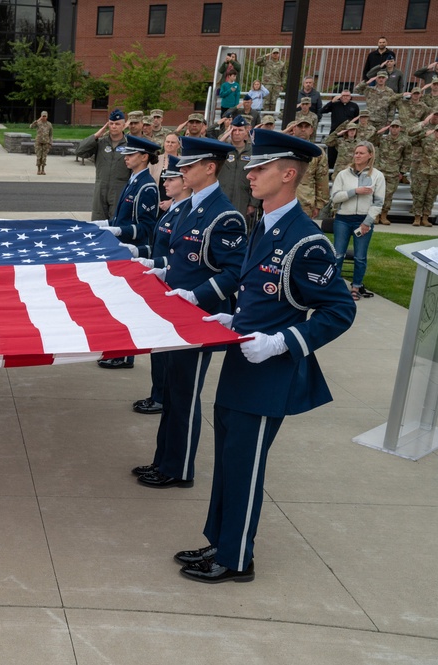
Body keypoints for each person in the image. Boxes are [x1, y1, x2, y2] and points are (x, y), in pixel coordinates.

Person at [177, 129, 356, 584]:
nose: (250, 174)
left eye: (261, 167)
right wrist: (233, 321)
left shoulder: (306, 240)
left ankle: (237, 559)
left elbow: (339, 310)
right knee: (229, 462)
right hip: (242, 364)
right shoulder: (266, 223)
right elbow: (259, 297)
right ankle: (221, 541)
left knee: (246, 466)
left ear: (288, 173)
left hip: (270, 374)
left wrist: (281, 342)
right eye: (251, 166)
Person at [133, 136, 246, 489]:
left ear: (210, 168)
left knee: (184, 395)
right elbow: (184, 258)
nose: (181, 170)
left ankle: (179, 468)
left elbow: (233, 272)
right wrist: (164, 272)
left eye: (188, 165)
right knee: (172, 393)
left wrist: (197, 296)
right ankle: (164, 459)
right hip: (177, 315)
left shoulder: (225, 215)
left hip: (199, 319)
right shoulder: (189, 206)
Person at [129, 156, 190, 415]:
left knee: (165, 351)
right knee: (159, 349)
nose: (165, 182)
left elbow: (178, 257)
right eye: (165, 177)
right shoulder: (175, 208)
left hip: (171, 284)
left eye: (172, 178)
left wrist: (150, 260)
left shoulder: (185, 212)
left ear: (185, 182)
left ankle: (161, 397)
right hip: (160, 282)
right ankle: (159, 393)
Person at [95, 135, 160, 370]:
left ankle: (125, 355)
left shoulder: (147, 187)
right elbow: (120, 217)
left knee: (126, 304)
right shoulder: (133, 180)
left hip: (132, 250)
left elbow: (145, 228)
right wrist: (104, 224)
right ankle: (117, 350)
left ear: (144, 157)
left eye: (131, 154)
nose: (126, 158)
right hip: (119, 248)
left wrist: (117, 231)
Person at [331, 141, 385, 300]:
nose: (357, 156)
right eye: (356, 153)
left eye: (361, 153)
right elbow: (334, 198)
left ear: (370, 155)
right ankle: (334, 287)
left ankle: (356, 287)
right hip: (342, 220)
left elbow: (378, 203)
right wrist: (355, 191)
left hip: (363, 221)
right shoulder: (343, 174)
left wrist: (367, 222)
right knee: (337, 255)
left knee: (360, 257)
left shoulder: (377, 176)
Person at [76, 109, 131, 221]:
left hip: (119, 189)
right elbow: (80, 151)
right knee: (98, 222)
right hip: (101, 188)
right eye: (111, 124)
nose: (114, 126)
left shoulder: (129, 145)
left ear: (124, 125)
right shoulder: (101, 143)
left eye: (117, 124)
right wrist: (96, 135)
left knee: (117, 223)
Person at [218, 116, 259, 224]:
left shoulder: (253, 152)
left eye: (240, 130)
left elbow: (258, 178)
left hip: (242, 200)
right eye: (234, 130)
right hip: (222, 198)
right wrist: (225, 135)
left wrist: (253, 203)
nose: (236, 133)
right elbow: (211, 150)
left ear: (246, 132)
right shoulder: (223, 150)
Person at [370, 119, 411, 225]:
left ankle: (384, 216)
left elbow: (407, 157)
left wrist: (402, 172)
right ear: (390, 128)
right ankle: (376, 216)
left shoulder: (404, 141)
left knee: (388, 195)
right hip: (381, 171)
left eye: (397, 127)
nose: (394, 129)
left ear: (400, 128)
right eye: (392, 127)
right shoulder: (383, 139)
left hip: (394, 172)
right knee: (377, 194)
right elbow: (371, 141)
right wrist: (378, 132)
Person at [290, 117, 328, 220]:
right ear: (294, 129)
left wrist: (319, 204)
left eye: (306, 127)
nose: (303, 129)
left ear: (311, 130)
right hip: (283, 201)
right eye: (300, 126)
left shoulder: (317, 152)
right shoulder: (285, 149)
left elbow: (322, 179)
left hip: (306, 203)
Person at [408, 113, 438, 227]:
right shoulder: (426, 140)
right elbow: (412, 140)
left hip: (435, 174)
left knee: (430, 196)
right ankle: (417, 217)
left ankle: (425, 218)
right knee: (420, 195)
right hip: (423, 171)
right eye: (437, 131)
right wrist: (424, 134)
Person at [320, 90, 360, 169]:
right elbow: (322, 111)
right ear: (340, 96)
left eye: (347, 95)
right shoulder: (335, 104)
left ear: (350, 97)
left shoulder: (354, 106)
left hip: (347, 133)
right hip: (335, 132)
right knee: (332, 154)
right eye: (343, 95)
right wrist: (332, 101)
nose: (345, 97)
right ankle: (330, 174)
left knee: (346, 155)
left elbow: (356, 120)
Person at [255, 48, 287, 113]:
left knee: (274, 101)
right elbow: (257, 62)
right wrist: (265, 55)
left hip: (277, 85)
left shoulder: (282, 64)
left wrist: (282, 84)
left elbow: (284, 74)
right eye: (274, 53)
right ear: (271, 54)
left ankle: (272, 116)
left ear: (279, 54)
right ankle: (265, 115)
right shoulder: (267, 63)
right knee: (266, 100)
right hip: (267, 84)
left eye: (276, 53)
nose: (275, 55)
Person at [30, 110, 53, 175]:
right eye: (43, 116)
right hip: (38, 142)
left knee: (44, 157)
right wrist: (38, 120)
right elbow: (31, 126)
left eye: (45, 116)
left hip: (46, 142)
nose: (44, 117)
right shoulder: (38, 123)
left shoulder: (49, 124)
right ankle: (38, 170)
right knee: (38, 156)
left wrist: (50, 143)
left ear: (47, 116)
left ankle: (43, 170)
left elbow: (51, 134)